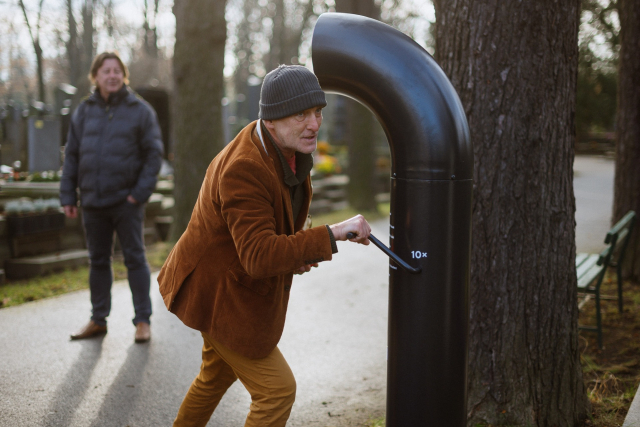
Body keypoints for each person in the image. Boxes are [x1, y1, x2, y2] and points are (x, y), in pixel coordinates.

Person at [158, 64, 372, 427]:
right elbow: (258, 256)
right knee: (277, 391)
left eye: (317, 112)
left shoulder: (282, 149)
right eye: (301, 114)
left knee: (214, 377)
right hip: (216, 294)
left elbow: (269, 236)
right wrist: (332, 234)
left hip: (228, 284)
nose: (314, 124)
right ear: (271, 120)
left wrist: (295, 254)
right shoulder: (245, 166)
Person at [60, 52, 164, 343]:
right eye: (106, 71)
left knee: (135, 258)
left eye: (117, 70)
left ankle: (142, 321)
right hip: (92, 201)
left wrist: (138, 195)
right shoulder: (83, 111)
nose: (112, 75)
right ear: (96, 76)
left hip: (126, 201)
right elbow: (72, 155)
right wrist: (68, 195)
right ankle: (98, 319)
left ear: (124, 75)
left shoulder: (140, 111)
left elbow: (153, 156)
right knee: (98, 261)